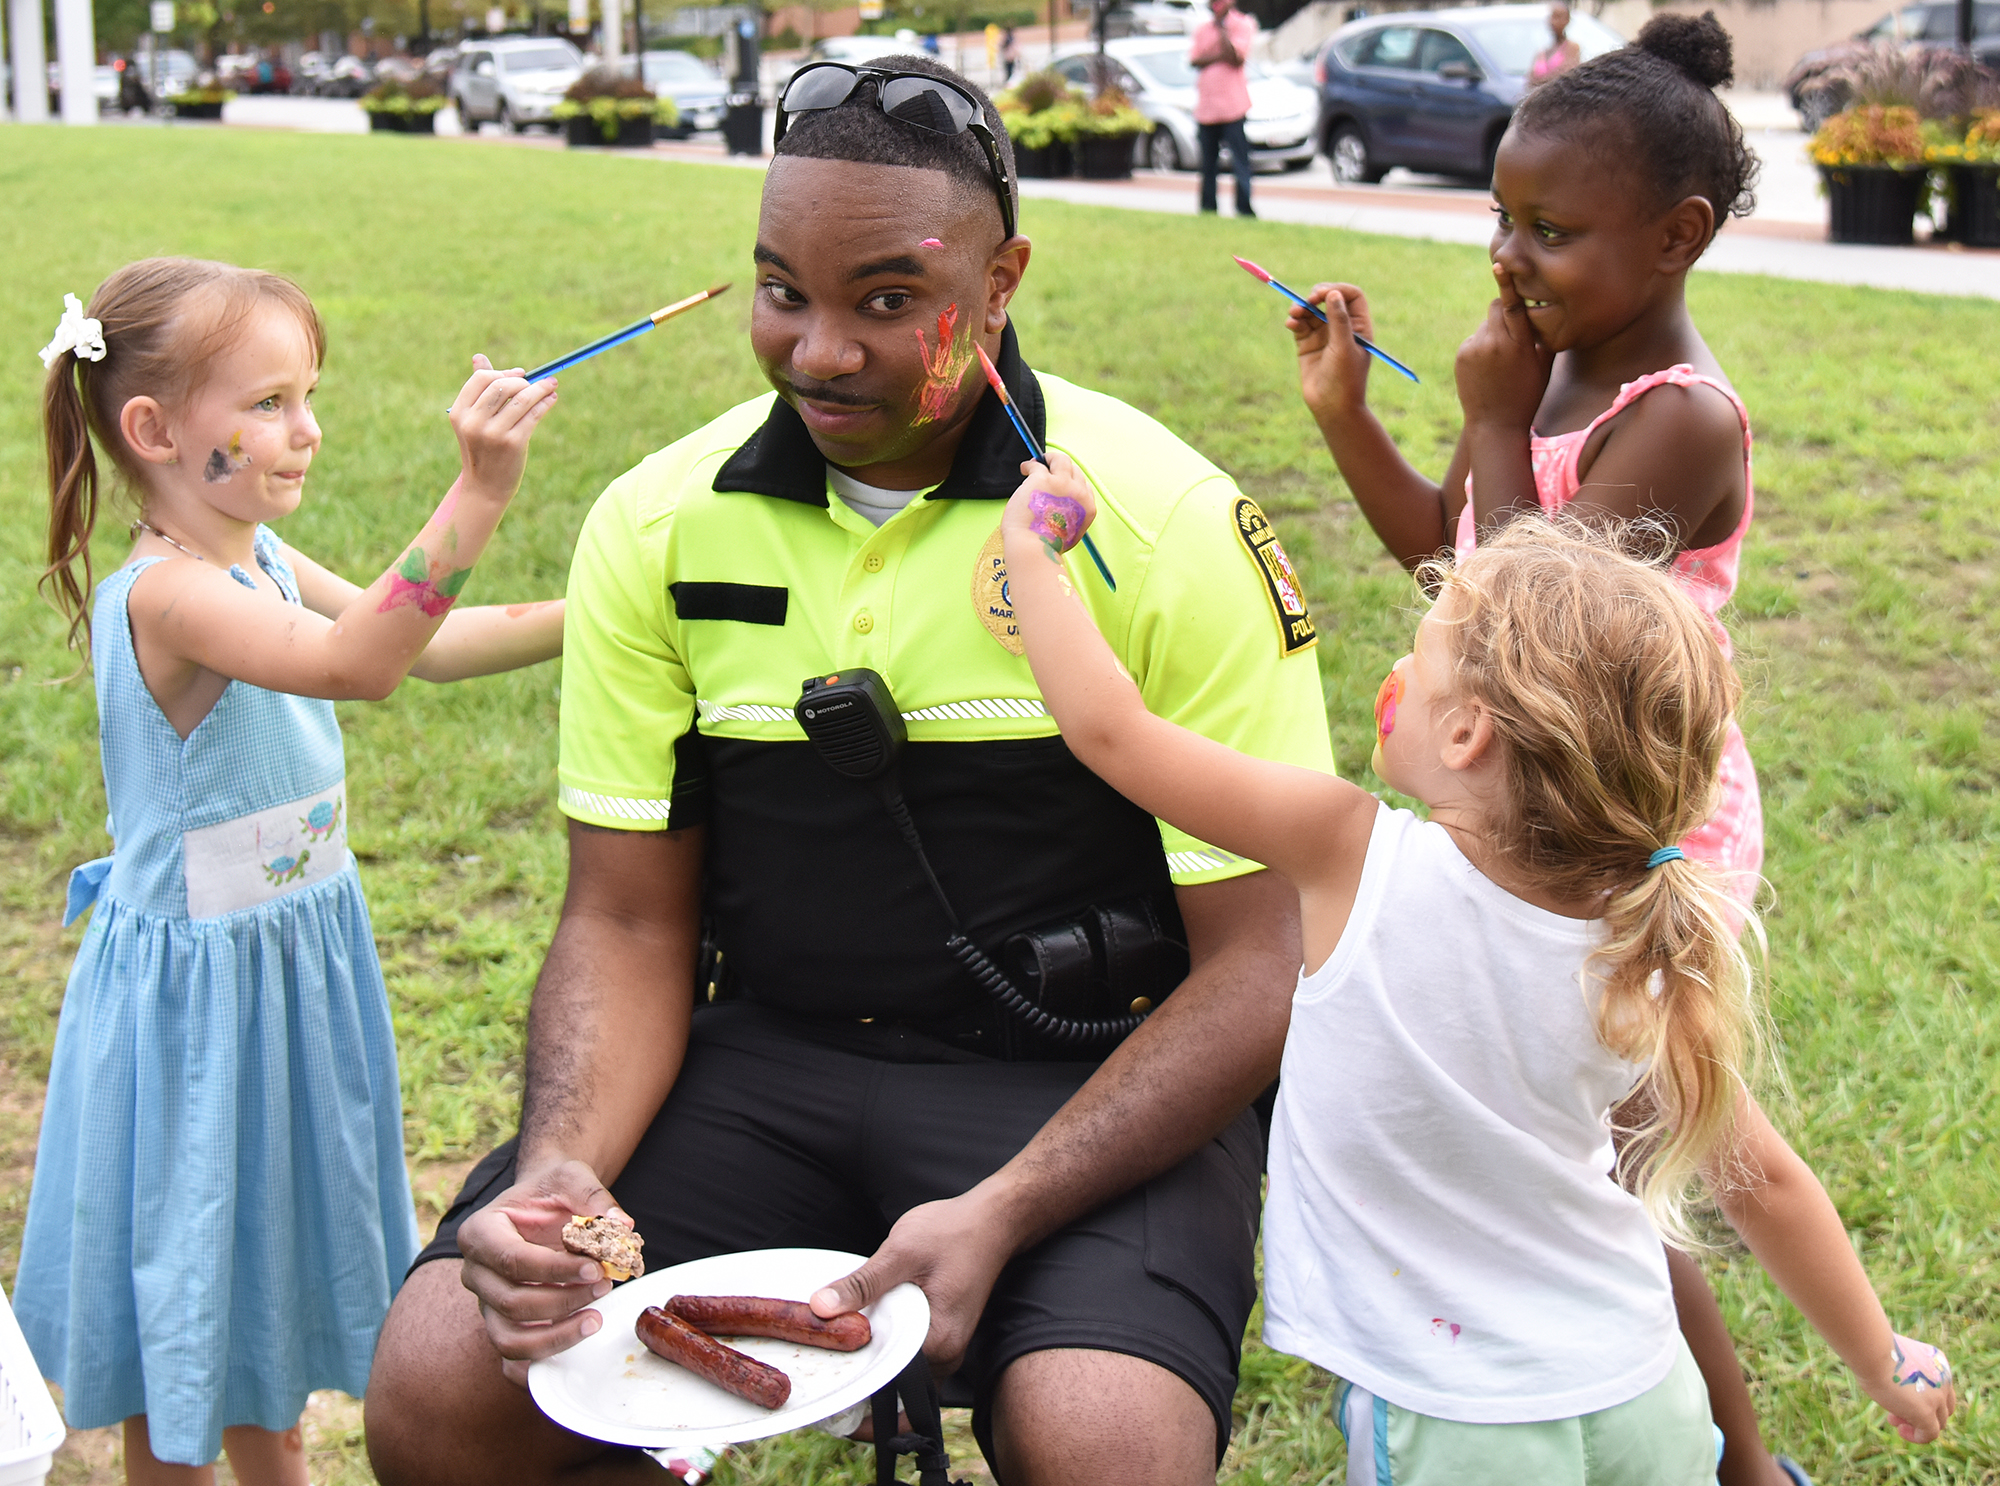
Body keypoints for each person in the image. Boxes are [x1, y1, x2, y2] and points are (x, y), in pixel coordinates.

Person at [363, 55, 1334, 1486]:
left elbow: (1263, 961)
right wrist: (562, 1166)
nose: (819, 350)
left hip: (1081, 1078)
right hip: (766, 1062)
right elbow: (626, 917)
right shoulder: (658, 524)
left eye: (887, 300)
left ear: (1002, 278)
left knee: (1106, 1440)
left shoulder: (1167, 519)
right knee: (441, 1386)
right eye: (783, 292)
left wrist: (1005, 1205)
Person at [999, 490, 1960, 1484]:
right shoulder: (1640, 945)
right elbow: (1764, 1183)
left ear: (1465, 735)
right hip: (1645, 1394)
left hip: (1454, 1421)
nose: (1395, 674)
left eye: (1416, 658)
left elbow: (1110, 732)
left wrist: (1032, 553)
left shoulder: (1342, 852)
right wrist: (1881, 1361)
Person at [1283, 18, 1818, 1479]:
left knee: (1622, 1182)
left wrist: (1493, 414)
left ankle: (1742, 1460)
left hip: (1632, 829)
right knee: (1559, 1154)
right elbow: (1441, 558)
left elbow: (1533, 618)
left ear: (1676, 237)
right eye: (1501, 221)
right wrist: (1351, 415)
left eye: (1554, 231)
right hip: (1520, 816)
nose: (1511, 258)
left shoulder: (1683, 421)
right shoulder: (1548, 372)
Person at [16, 258, 565, 1483]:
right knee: (184, 1329)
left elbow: (426, 643)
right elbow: (362, 662)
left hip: (290, 979)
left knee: (251, 1278)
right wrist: (477, 489)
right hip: (198, 1018)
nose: (304, 429)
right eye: (266, 403)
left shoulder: (258, 555)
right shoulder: (169, 596)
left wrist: (610, 607)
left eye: (305, 394)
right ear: (153, 431)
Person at [1188, 0, 1257, 216]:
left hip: (1232, 108)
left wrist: (1223, 30)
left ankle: (1244, 209)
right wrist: (1218, 55)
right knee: (1208, 164)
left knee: (1239, 162)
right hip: (1207, 109)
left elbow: (1236, 57)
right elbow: (1195, 60)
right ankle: (1208, 208)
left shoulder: (1243, 24)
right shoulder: (1202, 29)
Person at [1531, 2, 1582, 86]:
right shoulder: (1543, 52)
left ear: (1567, 20)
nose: (1553, 22)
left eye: (1558, 17)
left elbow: (1567, 77)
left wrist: (1541, 81)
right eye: (1552, 17)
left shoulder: (1572, 48)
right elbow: (1530, 81)